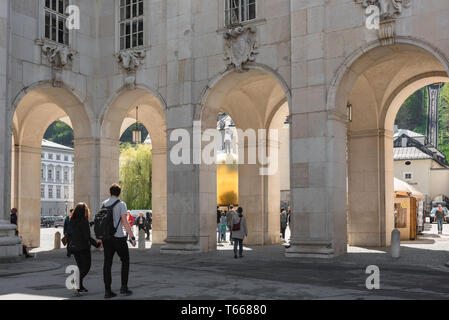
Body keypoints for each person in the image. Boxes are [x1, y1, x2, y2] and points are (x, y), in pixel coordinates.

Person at [100, 184, 136, 299]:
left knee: (107, 263)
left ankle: (107, 291)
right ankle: (124, 288)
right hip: (118, 237)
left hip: (107, 238)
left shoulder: (104, 203)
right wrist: (132, 237)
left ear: (110, 192)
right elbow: (125, 222)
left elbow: (101, 222)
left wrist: (100, 238)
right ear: (119, 193)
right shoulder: (121, 204)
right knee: (125, 260)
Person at [69, 203, 102, 294]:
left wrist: (89, 224)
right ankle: (74, 282)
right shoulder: (84, 221)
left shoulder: (72, 220)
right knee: (86, 267)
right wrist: (97, 244)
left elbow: (78, 231)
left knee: (80, 267)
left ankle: (80, 286)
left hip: (75, 247)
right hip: (83, 247)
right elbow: (86, 236)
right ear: (84, 211)